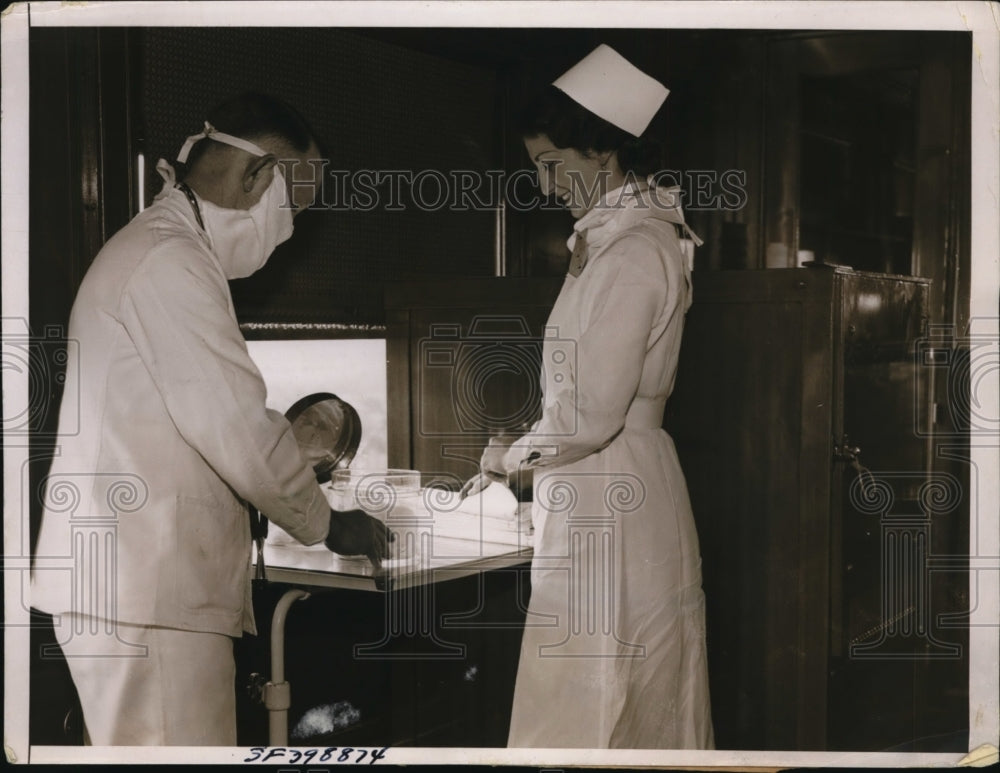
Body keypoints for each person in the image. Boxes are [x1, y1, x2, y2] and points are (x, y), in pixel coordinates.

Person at [30, 92, 390, 746]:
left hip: (137, 592)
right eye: (295, 212)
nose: (291, 234)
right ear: (257, 177)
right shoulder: (170, 261)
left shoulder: (162, 248)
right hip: (147, 598)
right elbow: (239, 426)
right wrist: (328, 522)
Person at [464, 46, 715, 748]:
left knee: (612, 678)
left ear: (603, 152)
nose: (545, 185)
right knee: (590, 678)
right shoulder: (610, 242)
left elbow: (595, 412)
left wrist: (510, 454)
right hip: (597, 480)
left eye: (552, 164)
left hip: (616, 485)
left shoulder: (636, 251)